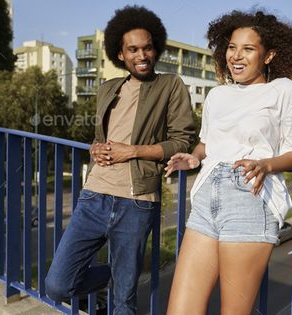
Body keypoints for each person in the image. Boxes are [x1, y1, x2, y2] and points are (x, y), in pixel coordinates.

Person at [165, 9, 292, 315]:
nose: (236, 56)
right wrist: (194, 157)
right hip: (206, 198)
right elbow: (208, 144)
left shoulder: (283, 91)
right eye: (232, 47)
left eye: (248, 48)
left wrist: (266, 165)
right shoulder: (217, 96)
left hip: (249, 198)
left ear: (268, 55)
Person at [44, 6, 195, 314]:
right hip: (94, 196)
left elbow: (182, 141)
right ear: (121, 54)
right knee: (58, 284)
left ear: (156, 49)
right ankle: (119, 276)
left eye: (148, 47)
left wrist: (133, 150)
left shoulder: (170, 85)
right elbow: (104, 137)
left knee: (124, 301)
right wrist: (94, 148)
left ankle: (123, 280)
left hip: (136, 202)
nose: (142, 55)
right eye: (133, 49)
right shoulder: (107, 88)